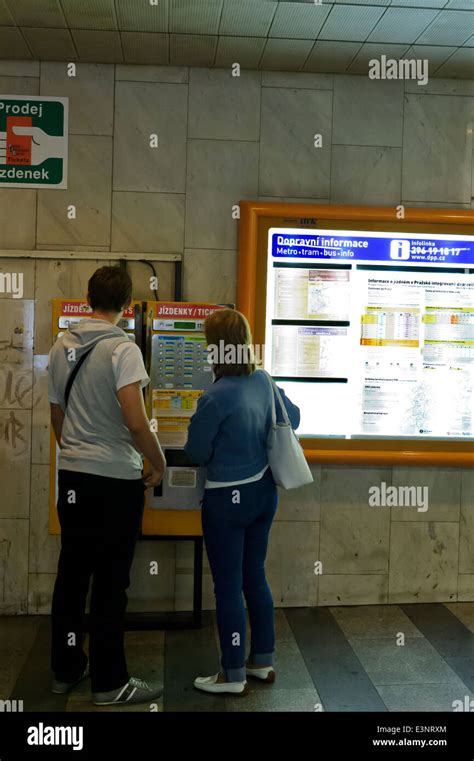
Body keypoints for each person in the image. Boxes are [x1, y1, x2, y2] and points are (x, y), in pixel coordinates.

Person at [48, 266, 166, 706]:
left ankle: (65, 670)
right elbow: (136, 421)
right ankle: (109, 682)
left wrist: (77, 452)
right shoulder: (123, 349)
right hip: (115, 480)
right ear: (128, 306)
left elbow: (56, 417)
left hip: (73, 477)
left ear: (87, 297)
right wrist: (158, 460)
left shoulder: (61, 346)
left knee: (72, 575)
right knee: (111, 580)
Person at [184, 309, 300, 695]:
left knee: (228, 587)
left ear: (215, 347)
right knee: (255, 577)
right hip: (264, 494)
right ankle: (262, 661)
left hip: (226, 500)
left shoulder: (215, 395)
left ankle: (231, 673)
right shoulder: (263, 380)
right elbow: (294, 418)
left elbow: (196, 451)